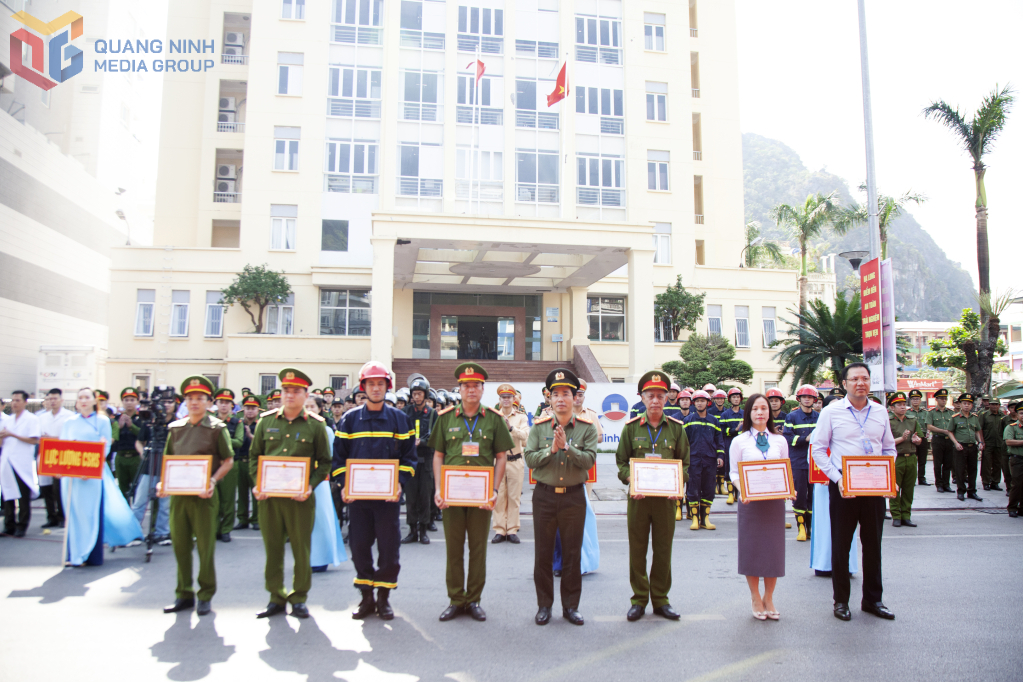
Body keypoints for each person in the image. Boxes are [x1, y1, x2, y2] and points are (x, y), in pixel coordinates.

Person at [811, 362, 897, 622]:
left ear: (870, 383)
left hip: (874, 490)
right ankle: (841, 601)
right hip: (844, 490)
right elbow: (817, 448)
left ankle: (873, 599)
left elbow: (889, 449)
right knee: (841, 545)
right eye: (855, 379)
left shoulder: (881, 412)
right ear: (845, 383)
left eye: (865, 378)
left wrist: (887, 476)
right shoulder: (832, 412)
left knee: (873, 545)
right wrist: (838, 479)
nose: (861, 383)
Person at [430, 362, 513, 623]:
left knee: (478, 549)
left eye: (476, 385)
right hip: (452, 497)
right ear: (460, 389)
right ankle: (456, 599)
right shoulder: (445, 419)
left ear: (482, 389)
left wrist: (495, 489)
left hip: (481, 497)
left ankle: (474, 600)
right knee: (454, 549)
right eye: (466, 385)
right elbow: (438, 456)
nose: (471, 390)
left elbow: (501, 457)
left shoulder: (494, 419)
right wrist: (439, 489)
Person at [333, 362, 416, 618]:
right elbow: (338, 460)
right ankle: (366, 597)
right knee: (359, 548)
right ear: (363, 387)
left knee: (389, 550)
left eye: (381, 383)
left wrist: (399, 484)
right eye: (371, 384)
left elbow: (409, 459)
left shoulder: (400, 420)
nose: (376, 388)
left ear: (387, 386)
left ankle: (383, 597)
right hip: (358, 500)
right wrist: (345, 485)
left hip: (387, 500)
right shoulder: (349, 420)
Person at [250, 368, 332, 620]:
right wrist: (256, 483)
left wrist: (309, 486)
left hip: (300, 499)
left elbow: (325, 462)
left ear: (305, 394)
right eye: (286, 390)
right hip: (270, 499)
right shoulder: (266, 421)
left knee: (301, 549)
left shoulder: (316, 426)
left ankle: (299, 598)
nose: (290, 395)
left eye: (296, 391)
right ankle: (275, 597)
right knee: (273, 549)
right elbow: (254, 457)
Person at [524, 368, 598, 626]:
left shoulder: (586, 428)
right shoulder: (539, 427)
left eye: (566, 393)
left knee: (572, 554)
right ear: (549, 398)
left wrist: (566, 447)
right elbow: (530, 460)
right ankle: (544, 606)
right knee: (542, 554)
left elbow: (588, 461)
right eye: (555, 394)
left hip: (573, 498)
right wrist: (551, 449)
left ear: (573, 397)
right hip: (544, 497)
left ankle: (570, 607)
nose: (561, 399)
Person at [159, 376, 235, 615]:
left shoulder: (216, 429)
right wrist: (163, 482)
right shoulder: (176, 429)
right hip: (180, 497)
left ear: (208, 402)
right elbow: (168, 461)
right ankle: (183, 593)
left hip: (204, 496)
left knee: (205, 548)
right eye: (190, 399)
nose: (194, 403)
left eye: (200, 399)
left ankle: (205, 595)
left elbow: (228, 460)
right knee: (180, 546)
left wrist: (213, 480)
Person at [616, 371, 688, 622]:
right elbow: (621, 462)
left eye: (660, 395)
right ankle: (638, 600)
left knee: (663, 550)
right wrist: (631, 480)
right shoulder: (631, 428)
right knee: (637, 550)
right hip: (639, 500)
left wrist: (678, 486)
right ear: (642, 398)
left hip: (666, 502)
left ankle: (660, 599)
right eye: (650, 396)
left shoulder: (677, 429)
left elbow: (685, 464)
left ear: (668, 398)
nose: (656, 400)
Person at [60, 388, 143, 565]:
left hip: (93, 474)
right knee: (75, 514)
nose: (83, 400)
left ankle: (92, 555)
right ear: (76, 401)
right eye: (80, 397)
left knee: (91, 512)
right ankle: (73, 555)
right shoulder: (69, 422)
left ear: (93, 401)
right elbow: (62, 447)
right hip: (73, 476)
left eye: (87, 397)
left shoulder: (103, 421)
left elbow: (105, 447)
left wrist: (89, 467)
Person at [730, 393, 790, 620]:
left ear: (770, 412)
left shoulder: (779, 440)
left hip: (774, 503)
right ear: (749, 413)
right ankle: (755, 596)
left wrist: (789, 489)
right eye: (755, 409)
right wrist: (741, 489)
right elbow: (734, 472)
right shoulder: (740, 441)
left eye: (764, 408)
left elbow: (786, 468)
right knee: (752, 551)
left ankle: (770, 597)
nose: (760, 413)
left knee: (773, 551)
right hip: (750, 502)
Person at [808, 395, 860, 577]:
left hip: (847, 483)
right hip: (824, 485)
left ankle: (848, 566)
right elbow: (814, 456)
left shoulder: (853, 429)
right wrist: (825, 475)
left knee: (847, 525)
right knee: (824, 524)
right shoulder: (818, 431)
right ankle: (823, 564)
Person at [302, 395, 347, 574]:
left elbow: (328, 458)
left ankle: (321, 558)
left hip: (319, 481)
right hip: (300, 480)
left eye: (312, 406)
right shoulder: (299, 428)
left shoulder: (326, 430)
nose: (309, 409)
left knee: (321, 520)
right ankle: (306, 557)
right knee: (304, 522)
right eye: (306, 406)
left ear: (320, 409)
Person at [492, 383, 530, 544]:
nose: (506, 400)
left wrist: (511, 428)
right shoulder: (494, 416)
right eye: (503, 397)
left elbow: (526, 437)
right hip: (499, 461)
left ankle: (512, 529)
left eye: (509, 397)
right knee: (499, 496)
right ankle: (500, 529)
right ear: (499, 400)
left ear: (514, 399)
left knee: (514, 497)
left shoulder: (521, 417)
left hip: (515, 460)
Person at [683, 390, 725, 530]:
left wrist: (720, 456)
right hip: (693, 460)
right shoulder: (688, 421)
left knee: (708, 490)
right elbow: (684, 442)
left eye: (702, 401)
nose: (700, 403)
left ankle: (705, 519)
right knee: (693, 489)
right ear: (694, 403)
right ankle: (695, 519)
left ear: (708, 403)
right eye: (697, 401)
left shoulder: (714, 421)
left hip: (710, 460)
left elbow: (719, 441)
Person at [1, 391, 41, 537]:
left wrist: (13, 435)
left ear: (25, 402)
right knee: (8, 494)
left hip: (21, 461)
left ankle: (22, 525)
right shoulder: (8, 420)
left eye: (17, 400)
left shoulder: (32, 419)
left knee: (23, 496)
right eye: (12, 400)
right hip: (7, 460)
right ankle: (9, 525)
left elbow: (34, 439)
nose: (14, 403)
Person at [783, 385, 820, 541]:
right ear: (799, 399)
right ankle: (801, 528)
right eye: (804, 397)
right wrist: (805, 439)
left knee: (813, 496)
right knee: (799, 496)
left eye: (810, 397)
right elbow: (788, 438)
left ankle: (811, 528)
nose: (807, 399)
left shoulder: (819, 416)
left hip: (815, 463)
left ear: (814, 400)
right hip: (798, 461)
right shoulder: (791, 417)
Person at [402, 377, 436, 545]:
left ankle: (423, 530)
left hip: (426, 460)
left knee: (425, 496)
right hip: (410, 460)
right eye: (414, 394)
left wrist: (421, 442)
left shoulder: (432, 414)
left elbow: (437, 438)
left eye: (420, 394)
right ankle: (412, 530)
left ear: (425, 395)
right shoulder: (405, 412)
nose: (417, 397)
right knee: (411, 497)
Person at [36, 388, 74, 528]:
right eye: (49, 399)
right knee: (46, 488)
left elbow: (70, 439)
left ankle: (62, 516)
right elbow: (38, 437)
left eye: (55, 398)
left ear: (61, 400)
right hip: (45, 454)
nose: (52, 401)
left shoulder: (69, 416)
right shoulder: (42, 417)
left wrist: (51, 439)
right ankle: (51, 516)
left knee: (58, 488)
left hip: (61, 455)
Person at [887, 392, 925, 527]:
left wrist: (917, 440)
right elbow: (886, 443)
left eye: (904, 404)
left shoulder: (912, 420)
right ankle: (896, 516)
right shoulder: (888, 422)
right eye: (899, 405)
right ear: (892, 408)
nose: (903, 407)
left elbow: (919, 438)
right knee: (894, 489)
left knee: (909, 489)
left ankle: (906, 515)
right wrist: (902, 439)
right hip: (897, 459)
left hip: (911, 457)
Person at [212, 388, 243, 542]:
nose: (224, 406)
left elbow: (239, 441)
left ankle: (225, 529)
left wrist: (221, 441)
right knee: (212, 498)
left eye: (227, 403)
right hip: (212, 464)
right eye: (221, 402)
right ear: (216, 404)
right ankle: (214, 528)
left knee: (228, 499)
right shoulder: (209, 421)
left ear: (232, 405)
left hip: (230, 464)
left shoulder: (237, 422)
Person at [233, 394, 262, 531]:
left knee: (256, 492)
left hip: (254, 462)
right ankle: (242, 518)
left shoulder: (260, 424)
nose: (250, 411)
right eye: (247, 408)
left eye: (253, 408)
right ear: (243, 409)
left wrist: (251, 436)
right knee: (242, 493)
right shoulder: (238, 424)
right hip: (240, 460)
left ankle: (256, 519)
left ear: (258, 410)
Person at [950, 393, 984, 502]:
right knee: (960, 470)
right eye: (964, 403)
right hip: (961, 447)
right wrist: (956, 443)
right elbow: (949, 431)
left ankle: (972, 491)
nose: (966, 406)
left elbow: (977, 430)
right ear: (960, 404)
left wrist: (980, 442)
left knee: (973, 470)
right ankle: (961, 491)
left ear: (972, 406)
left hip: (972, 447)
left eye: (969, 404)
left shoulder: (974, 418)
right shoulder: (955, 418)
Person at [113, 388, 145, 499]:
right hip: (121, 457)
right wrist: (120, 428)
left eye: (132, 400)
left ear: (137, 402)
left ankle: (135, 515)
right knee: (122, 489)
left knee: (137, 489)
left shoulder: (141, 419)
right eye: (126, 400)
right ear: (122, 402)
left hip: (135, 457)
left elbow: (144, 436)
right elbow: (113, 440)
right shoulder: (116, 419)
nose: (129, 403)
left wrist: (132, 426)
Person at [926, 388, 956, 493]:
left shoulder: (951, 412)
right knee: (938, 464)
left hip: (949, 440)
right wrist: (943, 431)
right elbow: (929, 426)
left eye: (945, 399)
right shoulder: (931, 412)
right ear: (937, 400)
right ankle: (938, 484)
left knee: (948, 463)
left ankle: (946, 484)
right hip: (938, 439)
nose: (943, 400)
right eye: (941, 399)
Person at [718, 387, 744, 505]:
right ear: (729, 399)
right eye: (734, 397)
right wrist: (735, 429)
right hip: (729, 442)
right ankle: (730, 494)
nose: (736, 399)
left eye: (738, 397)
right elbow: (722, 431)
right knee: (729, 467)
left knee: (741, 467)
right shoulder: (725, 414)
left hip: (743, 444)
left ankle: (739, 493)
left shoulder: (745, 413)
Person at [980, 396, 1005, 492]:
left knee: (998, 463)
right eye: (992, 404)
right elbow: (980, 429)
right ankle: (986, 482)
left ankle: (995, 483)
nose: (994, 406)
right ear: (989, 405)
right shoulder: (984, 415)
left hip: (999, 443)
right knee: (986, 463)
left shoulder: (1002, 415)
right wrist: (982, 441)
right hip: (988, 442)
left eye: (996, 404)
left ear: (999, 405)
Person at [1002, 404, 1023, 517]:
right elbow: (1008, 442)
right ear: (1017, 414)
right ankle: (1012, 507)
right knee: (1016, 484)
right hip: (1017, 459)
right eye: (1021, 413)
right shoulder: (1012, 427)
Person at [906, 390, 930, 485]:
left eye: (917, 399)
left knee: (922, 459)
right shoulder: (907, 412)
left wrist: (928, 432)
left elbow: (928, 424)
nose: (915, 401)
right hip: (911, 439)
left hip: (923, 437)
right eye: (913, 399)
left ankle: (922, 478)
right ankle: (912, 478)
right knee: (912, 459)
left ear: (920, 400)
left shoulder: (925, 412)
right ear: (910, 401)